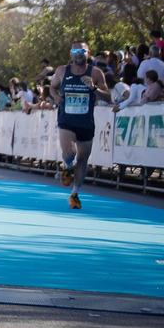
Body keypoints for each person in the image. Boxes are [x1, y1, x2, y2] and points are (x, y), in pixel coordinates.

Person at [48, 43, 111, 210]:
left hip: (86, 123)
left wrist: (94, 87)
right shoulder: (62, 71)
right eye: (75, 51)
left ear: (88, 53)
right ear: (71, 53)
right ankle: (68, 167)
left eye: (82, 50)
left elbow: (108, 97)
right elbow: (52, 87)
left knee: (83, 160)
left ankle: (75, 194)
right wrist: (56, 97)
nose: (78, 54)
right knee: (70, 153)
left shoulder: (96, 73)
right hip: (66, 120)